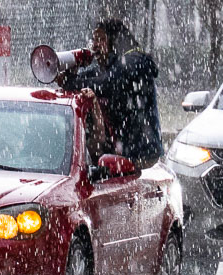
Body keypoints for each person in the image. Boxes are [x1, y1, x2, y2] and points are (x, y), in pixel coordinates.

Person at [59, 17, 163, 166]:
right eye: (93, 40)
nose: (94, 46)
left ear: (115, 41)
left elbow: (107, 83)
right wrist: (71, 76)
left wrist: (70, 83)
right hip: (122, 152)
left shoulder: (135, 61)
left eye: (100, 39)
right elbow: (95, 77)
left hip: (139, 153)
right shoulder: (113, 66)